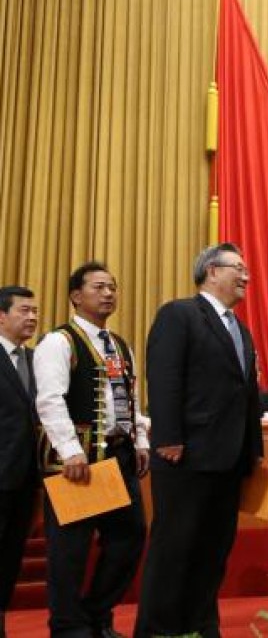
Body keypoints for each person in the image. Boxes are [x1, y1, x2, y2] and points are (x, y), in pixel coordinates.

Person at [135, 243, 264, 637]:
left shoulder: (240, 328)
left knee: (213, 552)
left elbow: (246, 394)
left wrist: (253, 450)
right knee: (174, 549)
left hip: (230, 460)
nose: (245, 276)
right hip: (185, 456)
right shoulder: (180, 314)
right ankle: (157, 630)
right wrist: (169, 437)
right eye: (237, 268)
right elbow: (164, 377)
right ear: (211, 270)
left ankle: (201, 626)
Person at [34, 262, 149, 638]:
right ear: (75, 296)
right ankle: (67, 626)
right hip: (77, 460)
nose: (108, 293)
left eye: (112, 287)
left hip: (119, 456)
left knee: (130, 537)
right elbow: (50, 400)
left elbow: (130, 401)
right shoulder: (58, 342)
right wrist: (69, 450)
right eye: (99, 287)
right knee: (70, 549)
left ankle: (96, 612)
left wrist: (141, 440)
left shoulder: (120, 345)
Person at [0, 286, 39, 637]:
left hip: (26, 479)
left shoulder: (34, 358)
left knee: (10, 559)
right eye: (24, 310)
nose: (33, 317)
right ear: (1, 315)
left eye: (35, 311)